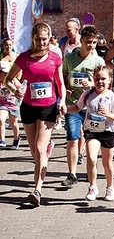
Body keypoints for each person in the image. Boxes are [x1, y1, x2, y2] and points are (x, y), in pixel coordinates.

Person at [4, 23, 67, 207]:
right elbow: (9, 80)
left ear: (49, 38)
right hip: (28, 106)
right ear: (33, 38)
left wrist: (62, 101)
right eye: (38, 39)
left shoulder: (55, 58)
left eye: (44, 39)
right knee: (35, 153)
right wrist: (14, 90)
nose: (41, 42)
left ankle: (37, 189)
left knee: (39, 149)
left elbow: (60, 83)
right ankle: (47, 151)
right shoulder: (24, 58)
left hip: (48, 107)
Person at [61, 25, 106, 188]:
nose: (91, 45)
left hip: (91, 107)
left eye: (94, 42)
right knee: (72, 137)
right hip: (73, 104)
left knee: (91, 140)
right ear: (81, 41)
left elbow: (105, 84)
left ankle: (91, 170)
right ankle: (72, 174)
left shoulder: (98, 61)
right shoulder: (69, 59)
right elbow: (63, 76)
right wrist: (65, 88)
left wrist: (93, 84)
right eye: (88, 42)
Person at [67, 66, 114, 201]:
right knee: (91, 158)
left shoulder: (113, 97)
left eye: (103, 79)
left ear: (109, 80)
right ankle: (92, 187)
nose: (100, 82)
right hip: (92, 132)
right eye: (97, 78)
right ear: (93, 79)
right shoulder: (87, 94)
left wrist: (108, 114)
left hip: (107, 131)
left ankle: (110, 188)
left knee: (107, 163)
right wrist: (64, 110)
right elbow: (77, 107)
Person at [0, 59, 20, 149]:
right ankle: (2, 139)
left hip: (13, 104)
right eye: (4, 72)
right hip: (2, 103)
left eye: (7, 72)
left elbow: (22, 89)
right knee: (1, 120)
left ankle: (16, 139)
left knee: (14, 123)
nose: (6, 74)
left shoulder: (13, 80)